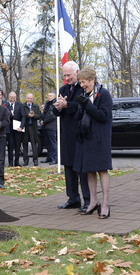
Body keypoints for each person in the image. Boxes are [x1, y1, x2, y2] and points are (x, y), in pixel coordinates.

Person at [73, 66, 112, 219]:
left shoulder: (104, 94)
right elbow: (78, 116)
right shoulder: (85, 94)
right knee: (89, 170)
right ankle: (93, 201)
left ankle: (105, 203)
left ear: (92, 80)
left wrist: (87, 105)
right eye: (80, 82)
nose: (82, 85)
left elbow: (103, 116)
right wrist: (81, 108)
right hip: (86, 138)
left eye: (84, 82)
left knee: (102, 170)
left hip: (100, 139)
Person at [53, 61, 90, 213]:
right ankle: (73, 198)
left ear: (77, 72)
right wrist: (57, 106)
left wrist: (67, 106)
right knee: (68, 167)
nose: (66, 78)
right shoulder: (63, 89)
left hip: (80, 134)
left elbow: (82, 107)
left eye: (69, 75)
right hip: (66, 134)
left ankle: (88, 200)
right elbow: (56, 112)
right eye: (64, 75)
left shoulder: (83, 88)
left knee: (82, 168)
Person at [6, 91, 26, 167]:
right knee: (10, 145)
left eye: (14, 98)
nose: (12, 99)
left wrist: (21, 126)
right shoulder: (6, 105)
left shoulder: (20, 105)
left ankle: (17, 162)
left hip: (18, 129)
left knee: (17, 145)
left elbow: (23, 116)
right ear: (9, 97)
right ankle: (10, 162)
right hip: (9, 129)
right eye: (11, 98)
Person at [22, 93, 41, 166]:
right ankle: (25, 160)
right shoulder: (23, 106)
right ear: (26, 99)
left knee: (34, 143)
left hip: (33, 127)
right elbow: (22, 115)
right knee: (25, 143)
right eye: (28, 98)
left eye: (31, 98)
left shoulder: (36, 106)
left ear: (32, 99)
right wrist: (27, 115)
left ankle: (35, 160)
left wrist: (34, 115)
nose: (29, 100)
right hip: (25, 126)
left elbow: (39, 115)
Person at [40, 92, 57, 165]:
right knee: (48, 144)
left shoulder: (55, 103)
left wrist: (44, 121)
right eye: (48, 95)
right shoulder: (47, 103)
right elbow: (44, 113)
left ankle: (55, 158)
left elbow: (52, 115)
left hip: (52, 126)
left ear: (54, 96)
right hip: (45, 126)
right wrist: (41, 120)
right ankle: (49, 157)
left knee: (53, 143)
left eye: (50, 95)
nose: (49, 97)